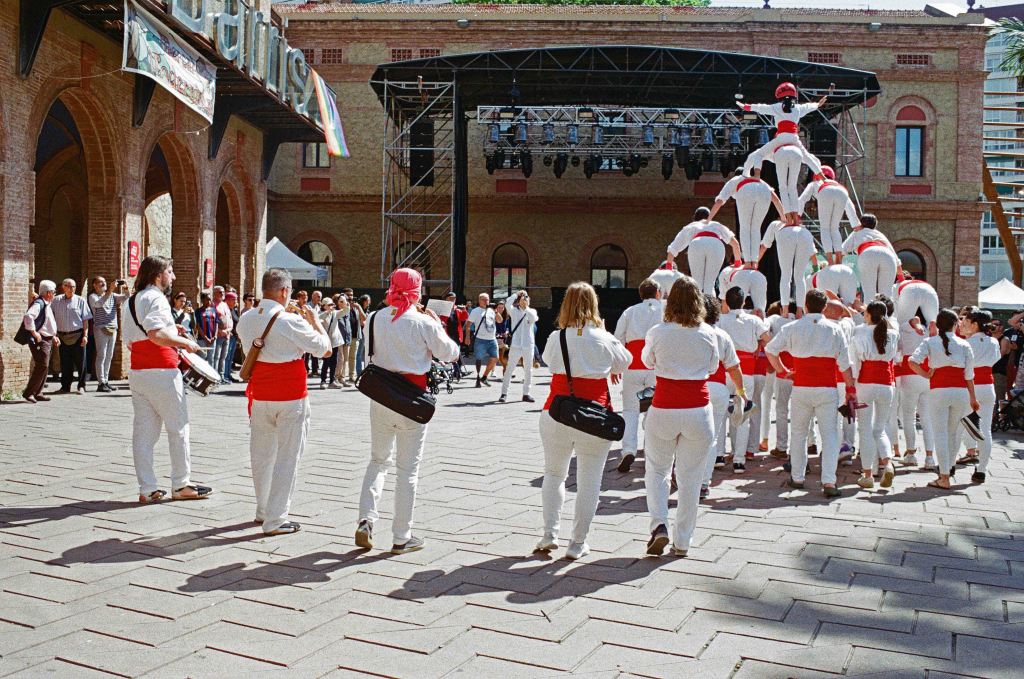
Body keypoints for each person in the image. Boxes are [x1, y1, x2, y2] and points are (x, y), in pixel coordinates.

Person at [356, 269, 459, 554]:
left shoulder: (374, 318)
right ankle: (401, 536)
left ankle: (366, 519)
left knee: (377, 461)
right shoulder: (423, 321)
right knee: (407, 470)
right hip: (412, 400)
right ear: (417, 290)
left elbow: (370, 353)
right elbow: (449, 353)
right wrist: (438, 326)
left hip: (380, 396)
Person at [642, 276, 738, 557]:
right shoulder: (709, 333)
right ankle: (683, 541)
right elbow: (712, 367)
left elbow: (647, 361)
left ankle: (659, 524)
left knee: (657, 470)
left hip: (664, 406)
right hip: (698, 408)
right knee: (690, 478)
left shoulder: (658, 332)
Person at [536, 282, 632, 560]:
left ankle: (549, 534)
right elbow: (624, 361)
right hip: (594, 414)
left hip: (557, 411)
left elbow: (548, 362)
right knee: (590, 481)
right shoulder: (604, 337)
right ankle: (577, 543)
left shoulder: (556, 337)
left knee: (554, 474)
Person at [237, 268, 331, 535]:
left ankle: (263, 509)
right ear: (284, 291)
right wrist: (315, 322)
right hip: (290, 394)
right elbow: (325, 349)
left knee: (261, 454)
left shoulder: (245, 318)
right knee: (287, 457)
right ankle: (276, 518)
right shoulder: (290, 320)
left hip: (260, 393)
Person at [121, 256, 211, 504]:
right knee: (178, 428)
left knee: (144, 433)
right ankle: (181, 484)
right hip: (163, 370)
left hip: (139, 372)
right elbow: (155, 334)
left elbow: (133, 340)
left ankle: (147, 488)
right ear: (158, 274)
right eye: (170, 272)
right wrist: (185, 342)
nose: (173, 277)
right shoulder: (157, 298)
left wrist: (173, 331)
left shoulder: (131, 301)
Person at [766, 289, 854, 498]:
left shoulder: (792, 327)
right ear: (824, 307)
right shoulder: (835, 329)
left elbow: (770, 350)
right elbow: (845, 365)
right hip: (827, 388)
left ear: (805, 306)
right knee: (830, 435)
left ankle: (797, 477)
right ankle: (829, 481)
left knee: (799, 433)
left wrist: (782, 371)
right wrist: (851, 390)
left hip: (802, 387)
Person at [909, 308, 980, 490]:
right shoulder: (964, 344)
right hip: (961, 392)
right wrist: (973, 398)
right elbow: (969, 375)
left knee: (940, 434)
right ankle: (948, 469)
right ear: (955, 324)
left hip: (939, 390)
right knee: (952, 433)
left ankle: (944, 476)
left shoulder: (930, 342)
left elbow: (912, 361)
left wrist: (926, 374)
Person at [612, 278, 663, 472]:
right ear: (658, 293)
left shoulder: (630, 311)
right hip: (656, 366)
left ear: (641, 294)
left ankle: (628, 450)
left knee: (630, 410)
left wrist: (616, 367)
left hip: (632, 365)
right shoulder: (665, 310)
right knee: (653, 410)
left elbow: (618, 339)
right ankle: (650, 451)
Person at [719, 286, 770, 472]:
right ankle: (739, 459)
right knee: (742, 415)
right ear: (744, 302)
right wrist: (758, 345)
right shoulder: (754, 320)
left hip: (724, 370)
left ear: (726, 302)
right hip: (745, 370)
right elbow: (768, 339)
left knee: (721, 413)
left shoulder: (720, 320)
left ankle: (718, 455)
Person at [850, 301, 899, 490]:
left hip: (865, 382)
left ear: (868, 314)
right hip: (886, 384)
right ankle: (888, 464)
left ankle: (868, 475)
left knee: (865, 430)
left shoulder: (859, 331)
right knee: (880, 429)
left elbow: (855, 362)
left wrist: (851, 387)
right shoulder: (893, 334)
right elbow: (895, 357)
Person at [701, 294, 745, 500]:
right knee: (712, 438)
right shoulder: (722, 335)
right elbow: (734, 368)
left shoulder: (689, 332)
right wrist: (741, 392)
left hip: (695, 387)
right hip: (718, 388)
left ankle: (684, 477)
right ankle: (704, 483)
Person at [739, 82, 826, 182]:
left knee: (757, 155)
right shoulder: (798, 108)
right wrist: (818, 104)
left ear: (779, 95)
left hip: (781, 138)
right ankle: (823, 178)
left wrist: (746, 106)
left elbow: (761, 108)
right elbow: (808, 106)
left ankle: (752, 176)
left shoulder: (776, 107)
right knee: (809, 158)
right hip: (794, 138)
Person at [706, 171, 786, 266]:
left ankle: (748, 262)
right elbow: (776, 200)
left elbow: (719, 201)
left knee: (745, 228)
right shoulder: (760, 181)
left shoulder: (735, 180)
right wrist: (784, 219)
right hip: (763, 191)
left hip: (745, 190)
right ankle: (754, 262)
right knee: (755, 228)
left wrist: (708, 220)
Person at [957, 310, 1000, 484]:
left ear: (975, 324)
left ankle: (948, 466)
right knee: (985, 430)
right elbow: (996, 359)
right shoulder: (994, 341)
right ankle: (981, 470)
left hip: (970, 386)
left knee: (958, 426)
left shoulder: (966, 343)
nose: (963, 324)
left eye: (967, 321)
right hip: (988, 387)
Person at [665, 208, 743, 295]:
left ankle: (697, 303)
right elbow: (735, 244)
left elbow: (673, 249)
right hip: (716, 244)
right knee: (710, 284)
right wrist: (738, 263)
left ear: (695, 218)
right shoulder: (716, 225)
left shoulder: (691, 226)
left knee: (697, 283)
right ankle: (710, 303)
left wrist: (668, 267)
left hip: (696, 243)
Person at [798, 165, 860, 265]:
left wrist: (798, 216)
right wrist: (855, 224)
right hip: (842, 191)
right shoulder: (836, 184)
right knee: (834, 229)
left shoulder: (815, 183)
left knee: (825, 229)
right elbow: (849, 205)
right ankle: (839, 261)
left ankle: (830, 262)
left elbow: (802, 199)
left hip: (825, 191)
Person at [759, 219, 817, 314]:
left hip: (785, 233)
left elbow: (764, 246)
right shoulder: (802, 226)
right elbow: (812, 252)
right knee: (800, 277)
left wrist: (755, 263)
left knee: (786, 275)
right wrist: (816, 268)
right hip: (804, 234)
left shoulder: (775, 223)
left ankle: (785, 311)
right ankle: (800, 311)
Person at [842, 214, 902, 303]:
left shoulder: (856, 232)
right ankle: (887, 312)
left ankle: (869, 312)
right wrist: (901, 278)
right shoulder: (880, 234)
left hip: (867, 253)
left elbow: (843, 249)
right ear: (875, 224)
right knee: (886, 295)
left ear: (860, 223)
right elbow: (896, 259)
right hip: (887, 255)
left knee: (869, 294)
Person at [51, 278, 92, 394]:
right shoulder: (56, 301)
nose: (71, 289)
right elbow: (51, 318)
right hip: (62, 336)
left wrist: (85, 336)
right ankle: (65, 386)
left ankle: (81, 386)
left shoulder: (81, 300)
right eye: (68, 286)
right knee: (65, 362)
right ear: (63, 287)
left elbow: (85, 320)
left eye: (73, 286)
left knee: (81, 362)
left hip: (78, 335)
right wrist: (54, 335)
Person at [88, 277, 129, 393]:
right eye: (101, 282)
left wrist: (126, 289)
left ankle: (105, 381)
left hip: (113, 328)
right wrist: (110, 291)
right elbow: (99, 304)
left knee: (109, 356)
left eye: (104, 282)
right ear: (94, 285)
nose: (103, 284)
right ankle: (101, 383)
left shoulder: (112, 295)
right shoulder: (93, 296)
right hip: (101, 328)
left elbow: (126, 298)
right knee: (101, 355)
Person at [22, 280, 58, 403]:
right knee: (42, 365)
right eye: (53, 292)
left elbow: (46, 322)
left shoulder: (46, 303)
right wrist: (34, 333)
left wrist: (53, 336)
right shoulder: (39, 303)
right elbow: (28, 316)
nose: (54, 294)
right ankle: (29, 393)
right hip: (41, 340)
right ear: (48, 293)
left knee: (44, 366)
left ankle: (38, 392)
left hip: (47, 339)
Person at [500, 290, 539, 403]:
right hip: (516, 345)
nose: (525, 299)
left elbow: (533, 318)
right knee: (509, 369)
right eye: (523, 297)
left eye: (527, 297)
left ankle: (526, 394)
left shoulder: (532, 311)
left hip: (528, 345)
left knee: (528, 370)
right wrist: (516, 294)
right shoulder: (514, 311)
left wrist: (526, 307)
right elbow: (507, 303)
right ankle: (504, 393)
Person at [466, 293, 499, 387]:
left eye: (487, 299)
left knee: (495, 358)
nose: (486, 301)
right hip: (480, 339)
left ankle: (484, 377)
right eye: (483, 299)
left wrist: (496, 311)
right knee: (479, 359)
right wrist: (467, 337)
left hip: (492, 339)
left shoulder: (492, 310)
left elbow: (500, 320)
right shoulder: (475, 311)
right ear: (479, 300)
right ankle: (478, 377)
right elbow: (468, 325)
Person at [318, 298, 345, 389]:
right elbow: (317, 323)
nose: (331, 306)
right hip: (326, 342)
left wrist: (344, 302)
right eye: (329, 305)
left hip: (335, 342)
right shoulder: (321, 315)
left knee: (334, 362)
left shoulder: (335, 313)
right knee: (326, 362)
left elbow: (345, 311)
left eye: (332, 304)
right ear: (324, 306)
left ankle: (332, 381)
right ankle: (323, 381)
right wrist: (327, 313)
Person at [209, 286, 234, 383]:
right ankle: (215, 377)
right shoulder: (212, 305)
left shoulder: (224, 304)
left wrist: (228, 330)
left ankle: (221, 376)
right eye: (220, 292)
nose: (222, 294)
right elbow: (211, 321)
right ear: (214, 293)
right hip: (218, 335)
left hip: (227, 334)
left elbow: (230, 318)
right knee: (216, 357)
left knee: (224, 357)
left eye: (223, 292)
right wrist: (219, 331)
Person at [221, 291, 241, 383]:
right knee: (227, 356)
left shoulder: (233, 310)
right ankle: (225, 375)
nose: (235, 301)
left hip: (234, 337)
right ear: (227, 300)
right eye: (233, 299)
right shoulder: (225, 309)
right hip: (229, 335)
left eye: (236, 299)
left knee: (230, 357)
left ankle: (228, 374)